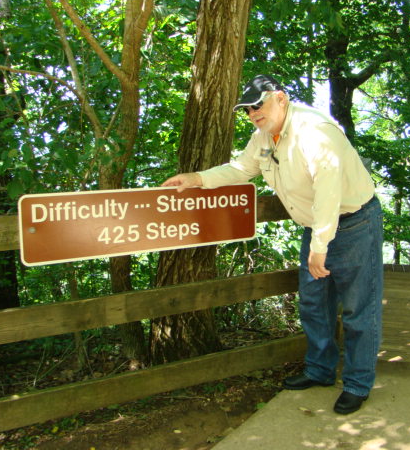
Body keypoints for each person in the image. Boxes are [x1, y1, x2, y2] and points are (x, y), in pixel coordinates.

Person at [162, 75, 383, 415]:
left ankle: (356, 383)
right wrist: (197, 179)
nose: (252, 113)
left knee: (357, 310)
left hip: (354, 223)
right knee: (313, 304)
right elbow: (241, 168)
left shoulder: (315, 131)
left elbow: (329, 188)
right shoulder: (263, 137)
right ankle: (320, 371)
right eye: (247, 109)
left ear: (280, 98)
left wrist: (320, 245)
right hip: (315, 226)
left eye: (258, 104)